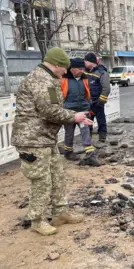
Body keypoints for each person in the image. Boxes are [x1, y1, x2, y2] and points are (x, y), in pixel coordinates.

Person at [11, 47, 92, 236]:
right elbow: (49, 111)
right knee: (41, 181)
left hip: (45, 139)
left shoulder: (50, 79)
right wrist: (75, 117)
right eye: (64, 68)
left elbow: (54, 107)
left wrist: (73, 115)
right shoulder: (40, 80)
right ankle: (37, 220)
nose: (66, 71)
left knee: (57, 175)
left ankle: (60, 213)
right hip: (32, 140)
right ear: (55, 64)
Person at [61, 58, 101, 166]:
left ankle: (90, 154)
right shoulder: (63, 79)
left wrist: (88, 105)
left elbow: (87, 93)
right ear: (72, 68)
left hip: (83, 110)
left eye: (83, 68)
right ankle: (68, 152)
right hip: (69, 111)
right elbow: (60, 96)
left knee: (85, 131)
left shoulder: (84, 79)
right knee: (69, 133)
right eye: (79, 68)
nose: (82, 70)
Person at [84, 53, 111, 143]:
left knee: (101, 120)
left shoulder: (101, 72)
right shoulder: (84, 71)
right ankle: (88, 139)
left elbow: (106, 88)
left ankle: (102, 138)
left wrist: (101, 101)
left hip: (97, 102)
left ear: (91, 62)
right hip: (87, 102)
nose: (84, 62)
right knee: (88, 121)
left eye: (86, 61)